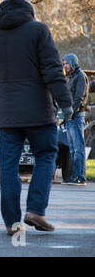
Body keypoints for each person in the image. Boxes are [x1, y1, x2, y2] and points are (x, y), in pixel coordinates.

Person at [0, 0, 73, 235]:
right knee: (46, 155)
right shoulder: (38, 31)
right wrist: (66, 103)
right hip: (39, 111)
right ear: (28, 4)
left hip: (6, 116)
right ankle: (36, 210)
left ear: (3, 5)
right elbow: (52, 71)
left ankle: (11, 222)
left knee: (8, 166)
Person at [62, 53, 89, 186]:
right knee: (72, 149)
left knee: (78, 148)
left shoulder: (80, 76)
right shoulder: (71, 77)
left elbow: (79, 97)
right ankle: (74, 175)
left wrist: (71, 112)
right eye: (64, 64)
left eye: (66, 63)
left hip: (77, 116)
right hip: (70, 117)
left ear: (72, 62)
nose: (65, 66)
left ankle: (81, 177)